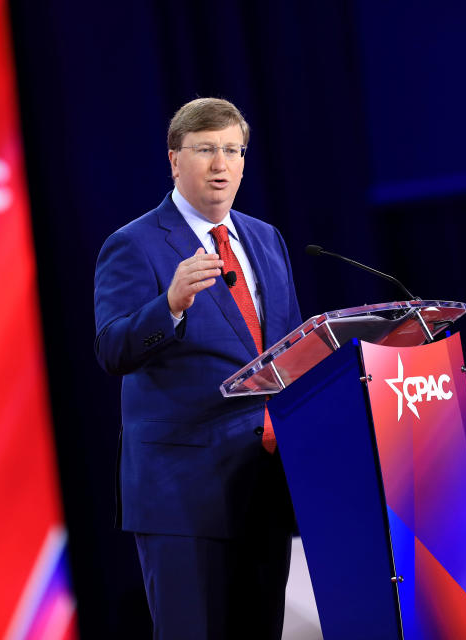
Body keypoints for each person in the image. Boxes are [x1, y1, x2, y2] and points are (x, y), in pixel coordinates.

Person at [93, 97, 303, 639]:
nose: (221, 164)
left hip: (262, 485)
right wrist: (170, 305)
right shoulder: (133, 245)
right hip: (182, 498)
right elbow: (113, 348)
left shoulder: (266, 239)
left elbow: (293, 350)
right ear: (174, 160)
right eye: (206, 149)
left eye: (232, 150)